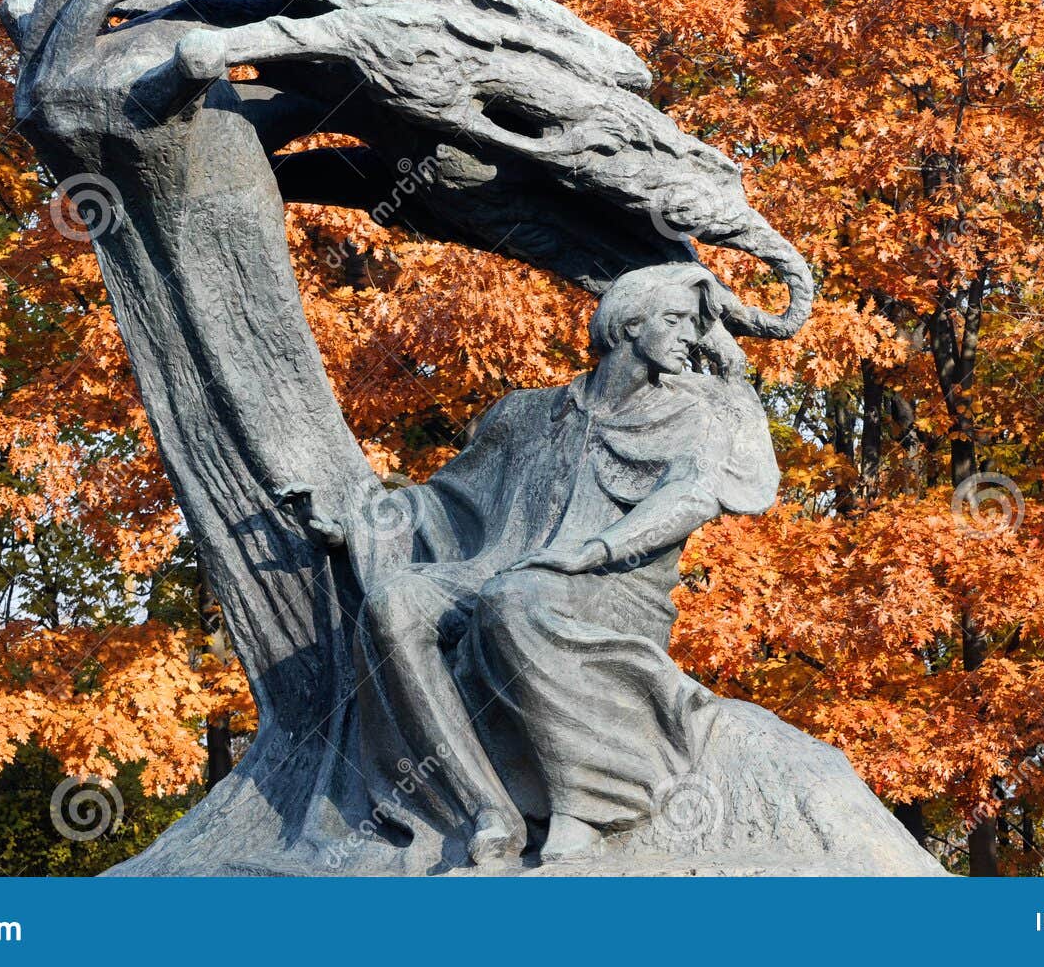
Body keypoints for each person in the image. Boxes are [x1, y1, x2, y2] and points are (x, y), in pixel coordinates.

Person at [302, 262, 779, 866]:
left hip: (612, 587)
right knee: (395, 604)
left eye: (694, 323)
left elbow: (693, 495)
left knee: (515, 600)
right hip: (497, 569)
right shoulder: (525, 414)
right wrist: (358, 524)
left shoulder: (699, 411)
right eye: (677, 320)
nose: (692, 336)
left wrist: (593, 550)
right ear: (630, 324)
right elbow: (444, 500)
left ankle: (583, 806)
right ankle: (485, 810)